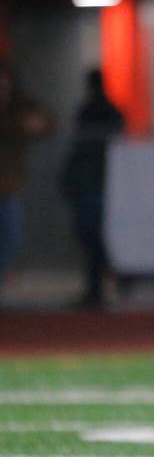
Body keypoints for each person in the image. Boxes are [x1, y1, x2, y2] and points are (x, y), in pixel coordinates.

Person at [60, 69, 124, 307]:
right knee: (91, 237)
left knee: (93, 237)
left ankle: (102, 284)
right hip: (92, 183)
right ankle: (99, 285)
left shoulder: (97, 111)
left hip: (95, 183)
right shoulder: (101, 111)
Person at [0, 61, 52, 299]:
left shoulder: (19, 107)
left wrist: (32, 123)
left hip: (9, 185)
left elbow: (45, 124)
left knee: (10, 237)